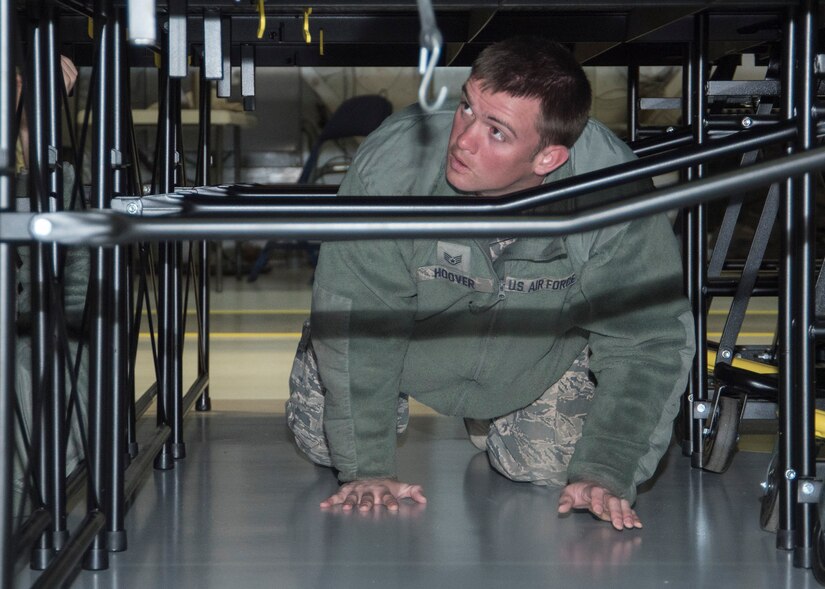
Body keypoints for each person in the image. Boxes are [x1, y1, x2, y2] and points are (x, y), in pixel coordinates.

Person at [286, 36, 695, 531]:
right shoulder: (399, 166)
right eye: (466, 108)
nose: (463, 139)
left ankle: (495, 416)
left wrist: (606, 472)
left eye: (496, 132)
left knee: (548, 468)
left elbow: (647, 341)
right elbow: (358, 321)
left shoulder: (611, 196)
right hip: (400, 343)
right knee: (325, 441)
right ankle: (339, 385)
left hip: (533, 361)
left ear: (548, 159)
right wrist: (367, 468)